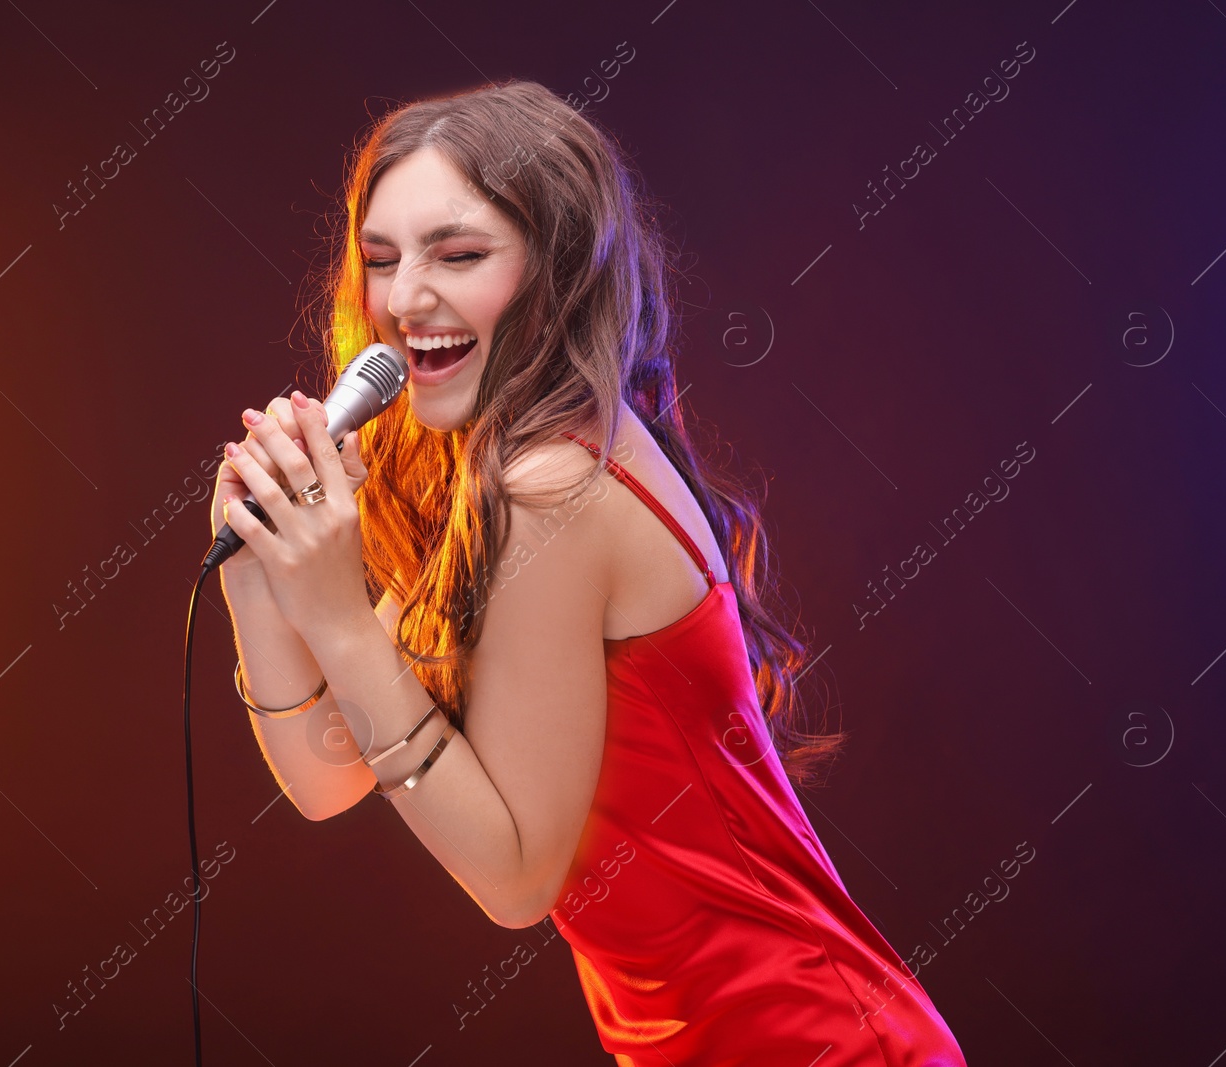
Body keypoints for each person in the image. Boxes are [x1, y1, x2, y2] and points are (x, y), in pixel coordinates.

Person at [209, 79, 968, 1066]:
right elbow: (324, 771)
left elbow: (516, 879)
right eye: (381, 260)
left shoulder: (550, 486)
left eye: (460, 254)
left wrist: (341, 622)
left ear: (557, 269)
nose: (403, 300)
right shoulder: (504, 465)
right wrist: (258, 572)